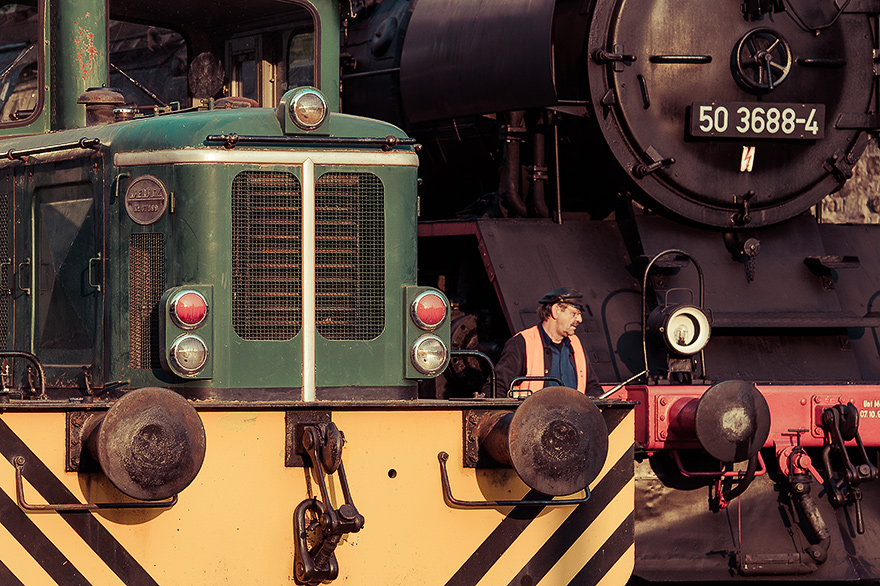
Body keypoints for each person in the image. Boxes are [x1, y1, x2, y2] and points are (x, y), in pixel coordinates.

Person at [484, 287, 603, 397]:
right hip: (532, 419)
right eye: (574, 314)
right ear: (556, 311)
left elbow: (592, 386)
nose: (579, 320)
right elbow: (495, 388)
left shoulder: (575, 344)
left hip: (573, 419)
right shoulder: (522, 343)